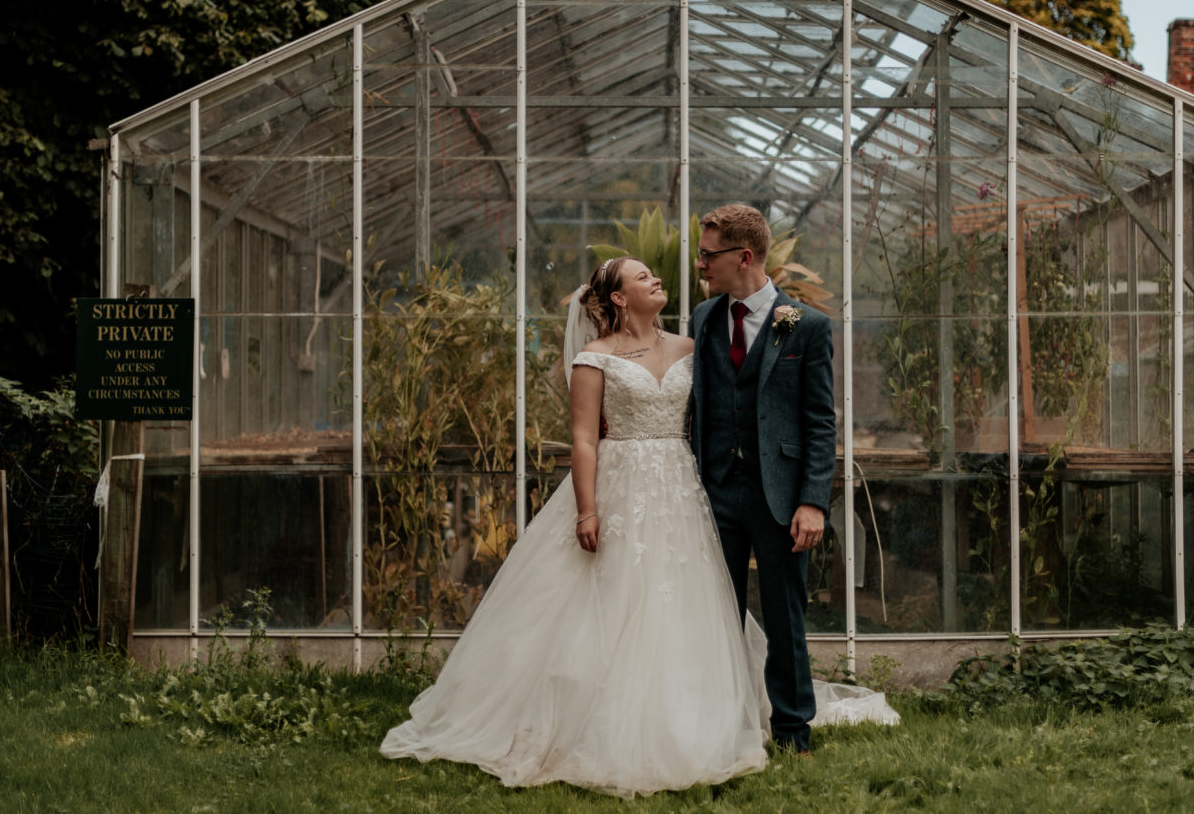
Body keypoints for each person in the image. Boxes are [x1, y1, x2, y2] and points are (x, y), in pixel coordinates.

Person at [381, 254, 896, 797]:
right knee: (614, 601)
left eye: (655, 272)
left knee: (684, 603)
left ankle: (703, 712)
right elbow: (583, 438)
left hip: (682, 488)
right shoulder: (594, 357)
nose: (657, 278)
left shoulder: (694, 341)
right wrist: (587, 509)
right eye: (642, 276)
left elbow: (736, 403)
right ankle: (599, 716)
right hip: (620, 484)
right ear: (620, 298)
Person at [690, 203, 835, 754]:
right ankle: (720, 725)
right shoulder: (704, 319)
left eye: (709, 255)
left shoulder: (806, 326)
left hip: (780, 497)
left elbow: (821, 421)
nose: (701, 264)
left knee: (784, 615)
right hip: (715, 492)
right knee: (714, 616)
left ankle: (794, 729)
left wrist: (813, 502)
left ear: (743, 256)